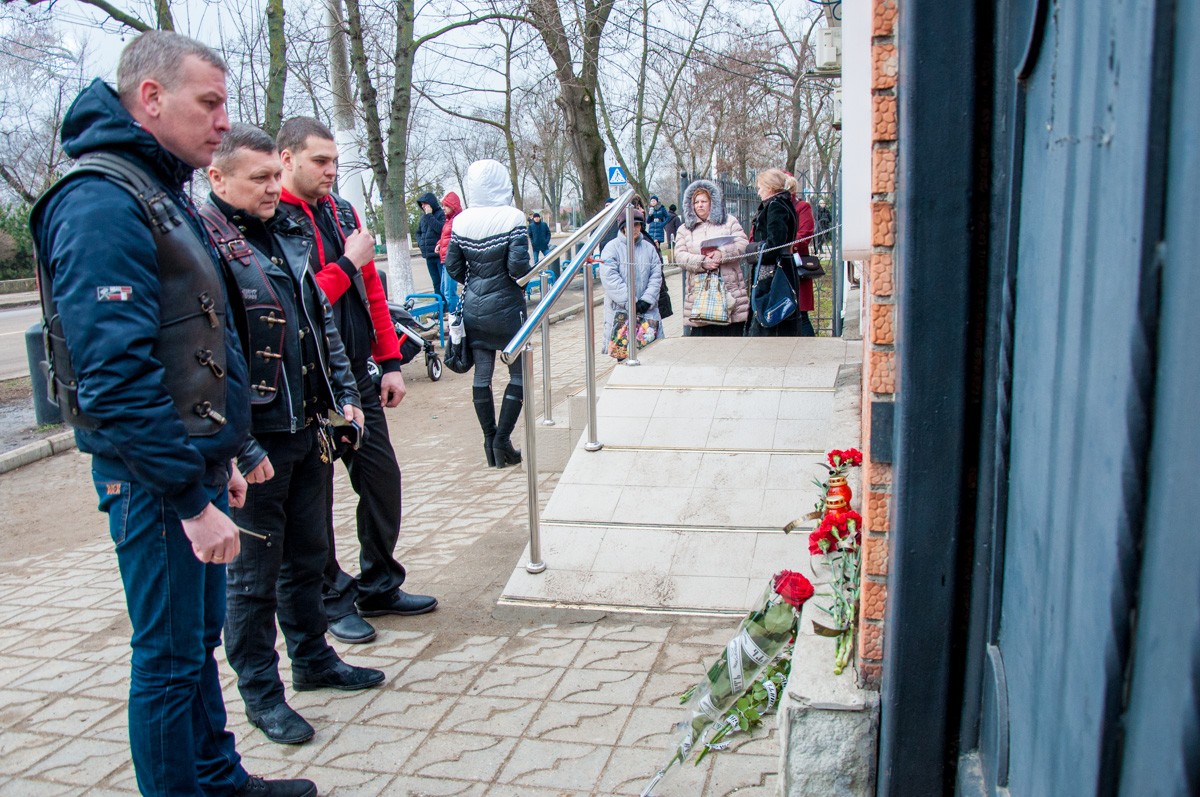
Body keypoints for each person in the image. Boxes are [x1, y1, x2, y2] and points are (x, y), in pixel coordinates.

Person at [29, 31, 315, 797]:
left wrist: (227, 450)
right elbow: (115, 376)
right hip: (155, 480)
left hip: (190, 464)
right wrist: (189, 497)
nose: (223, 120)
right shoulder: (100, 200)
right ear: (151, 99)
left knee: (193, 647)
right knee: (167, 658)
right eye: (209, 102)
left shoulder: (155, 188)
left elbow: (198, 334)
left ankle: (218, 778)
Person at [202, 124, 386, 746]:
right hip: (256, 441)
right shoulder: (207, 244)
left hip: (307, 428)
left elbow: (318, 321)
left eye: (274, 177)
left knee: (309, 556)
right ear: (217, 178)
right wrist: (240, 445)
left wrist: (345, 397)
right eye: (258, 178)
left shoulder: (287, 232)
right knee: (252, 579)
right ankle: (261, 695)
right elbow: (209, 355)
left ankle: (312, 660)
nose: (271, 188)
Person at [277, 117, 437, 646]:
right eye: (320, 161)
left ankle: (379, 583)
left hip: (356, 379)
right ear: (286, 159)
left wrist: (390, 362)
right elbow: (297, 303)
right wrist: (348, 261)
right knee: (314, 501)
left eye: (334, 162)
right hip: (309, 384)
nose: (330, 171)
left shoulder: (342, 211)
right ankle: (331, 598)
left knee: (380, 479)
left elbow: (372, 293)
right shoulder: (274, 218)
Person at [444, 159, 530, 469]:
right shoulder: (513, 217)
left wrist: (476, 282)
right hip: (508, 311)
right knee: (518, 375)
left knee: (483, 375)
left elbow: (453, 266)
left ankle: (489, 439)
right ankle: (502, 440)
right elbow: (518, 268)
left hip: (474, 310)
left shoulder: (462, 221)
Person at [673, 178, 750, 337]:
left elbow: (743, 244)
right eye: (696, 202)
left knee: (731, 339)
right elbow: (679, 255)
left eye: (704, 201)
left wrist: (722, 253)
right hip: (700, 293)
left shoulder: (729, 222)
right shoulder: (684, 229)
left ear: (712, 203)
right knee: (702, 341)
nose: (699, 205)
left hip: (730, 289)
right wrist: (702, 262)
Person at [599, 209, 664, 359]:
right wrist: (631, 301)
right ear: (623, 227)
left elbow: (656, 276)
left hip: (647, 312)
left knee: (651, 356)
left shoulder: (649, 248)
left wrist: (647, 300)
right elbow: (610, 278)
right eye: (630, 225)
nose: (634, 228)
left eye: (637, 224)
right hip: (621, 313)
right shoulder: (611, 248)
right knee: (624, 356)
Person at [747, 168, 801, 337]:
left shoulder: (775, 206)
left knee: (770, 317)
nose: (758, 192)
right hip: (780, 266)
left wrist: (754, 251)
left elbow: (775, 244)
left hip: (772, 271)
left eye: (760, 188)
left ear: (769, 188)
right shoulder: (783, 203)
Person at [787, 177, 818, 337]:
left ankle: (808, 346)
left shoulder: (802, 207)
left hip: (796, 264)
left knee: (801, 314)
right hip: (775, 267)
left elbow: (805, 234)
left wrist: (782, 245)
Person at [416, 191, 446, 305]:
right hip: (429, 256)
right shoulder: (423, 218)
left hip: (439, 256)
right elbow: (418, 232)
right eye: (422, 205)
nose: (423, 206)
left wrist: (429, 216)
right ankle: (439, 307)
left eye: (425, 204)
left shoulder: (440, 214)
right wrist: (421, 243)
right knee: (436, 283)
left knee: (443, 284)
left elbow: (441, 229)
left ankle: (446, 306)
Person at [436, 190, 462, 312]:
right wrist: (439, 244)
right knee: (443, 290)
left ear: (453, 206)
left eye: (446, 205)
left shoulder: (457, 220)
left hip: (451, 260)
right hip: (445, 259)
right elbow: (445, 237)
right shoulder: (448, 221)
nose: (443, 208)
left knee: (449, 293)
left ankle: (456, 315)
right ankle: (458, 313)